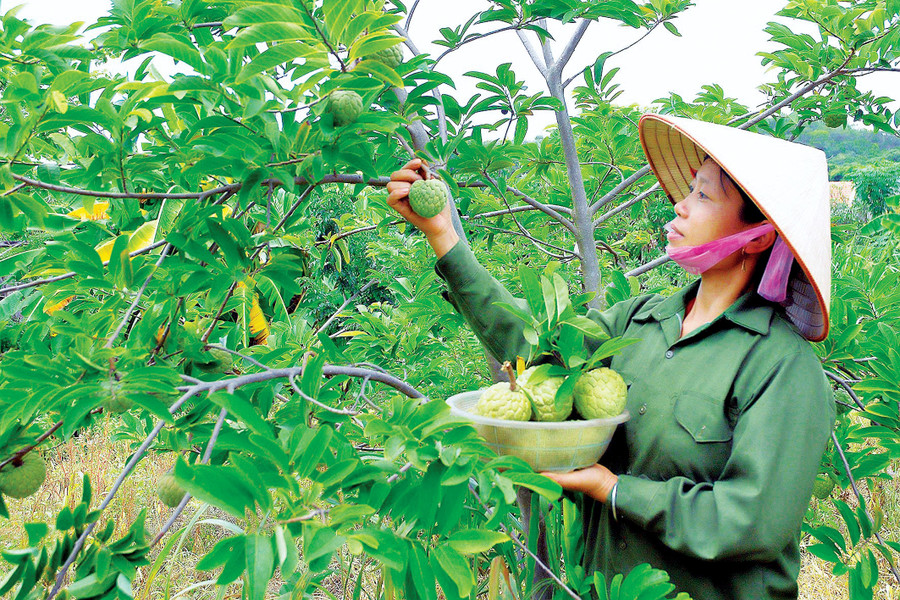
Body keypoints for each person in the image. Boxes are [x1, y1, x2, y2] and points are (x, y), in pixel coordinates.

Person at [387, 114, 835, 600]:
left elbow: (753, 521)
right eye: (689, 189)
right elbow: (538, 355)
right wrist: (443, 235)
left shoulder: (781, 366)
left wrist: (614, 489)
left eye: (704, 195)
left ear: (760, 236)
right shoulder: (637, 321)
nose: (680, 207)